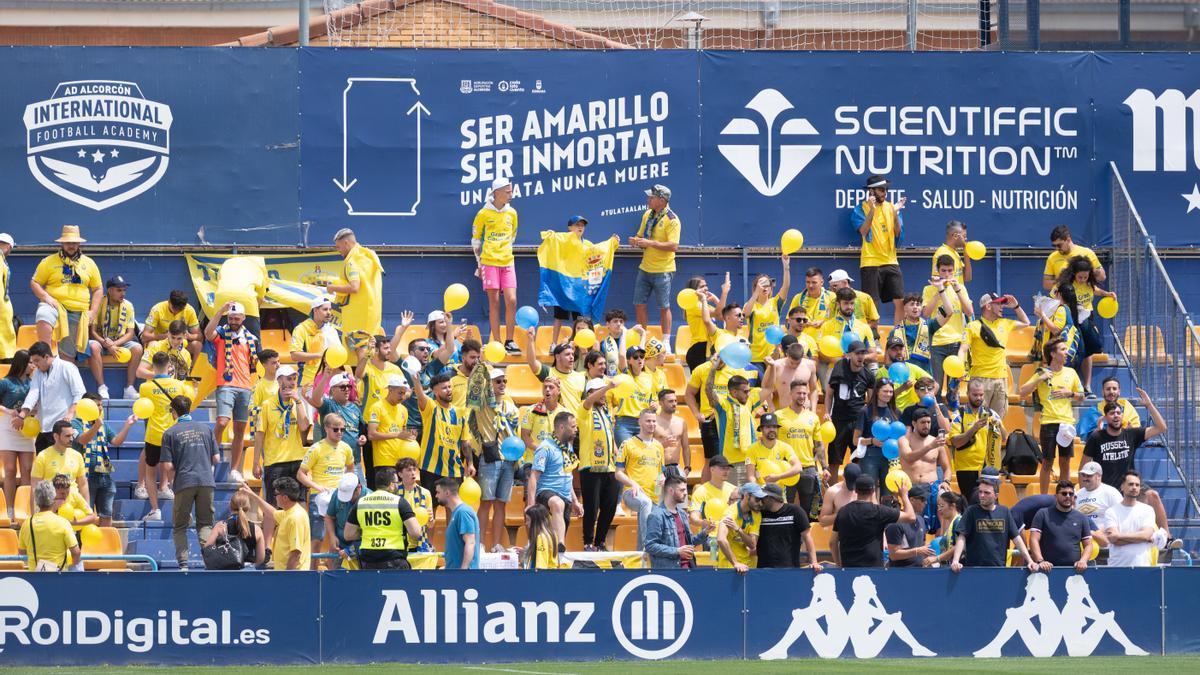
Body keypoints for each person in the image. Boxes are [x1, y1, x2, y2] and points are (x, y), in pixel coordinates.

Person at [1082, 387, 1170, 535]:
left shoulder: (1131, 434)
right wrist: (1085, 491)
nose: (1116, 416)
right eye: (1112, 413)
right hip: (1108, 490)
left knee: (1153, 495)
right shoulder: (1097, 438)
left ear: (1122, 416)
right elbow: (1084, 466)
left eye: (1118, 413)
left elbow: (1161, 427)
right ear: (1105, 417)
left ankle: (1167, 538)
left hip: (1130, 484)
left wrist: (1148, 404)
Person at [30, 225, 104, 395]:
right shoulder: (48, 261)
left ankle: (65, 391)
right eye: (68, 242)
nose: (71, 245)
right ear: (62, 243)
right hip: (56, 306)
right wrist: (47, 297)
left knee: (67, 357)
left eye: (74, 242)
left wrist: (93, 312)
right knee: (43, 312)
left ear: (79, 244)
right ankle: (45, 352)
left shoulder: (90, 263)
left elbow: (98, 289)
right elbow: (34, 282)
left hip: (78, 313)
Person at [1019, 337, 1084, 494]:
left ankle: (1064, 493)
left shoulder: (1071, 372)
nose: (1066, 352)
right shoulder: (1042, 372)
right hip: (1048, 422)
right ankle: (1043, 496)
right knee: (1047, 462)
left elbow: (1082, 396)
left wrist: (1071, 393)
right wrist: (1040, 379)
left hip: (1066, 423)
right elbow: (1022, 393)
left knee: (1065, 461)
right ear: (1053, 354)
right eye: (1062, 349)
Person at [205, 300, 260, 485]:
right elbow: (207, 333)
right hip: (226, 383)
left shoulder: (251, 338)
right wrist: (220, 311)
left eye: (237, 318)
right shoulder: (221, 333)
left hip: (245, 386)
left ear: (243, 318)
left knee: (239, 430)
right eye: (231, 317)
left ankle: (234, 469)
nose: (234, 320)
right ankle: (211, 459)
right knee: (222, 422)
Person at [160, 396, 218, 568]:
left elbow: (169, 466)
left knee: (179, 527)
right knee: (206, 524)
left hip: (184, 482)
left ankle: (183, 564)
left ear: (174, 411)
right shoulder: (206, 429)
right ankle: (210, 561)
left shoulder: (169, 433)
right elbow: (216, 458)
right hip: (207, 481)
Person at [685, 346, 753, 483]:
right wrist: (697, 414)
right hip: (710, 419)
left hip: (732, 420)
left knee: (732, 458)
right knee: (711, 460)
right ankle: (705, 495)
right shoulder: (702, 369)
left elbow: (746, 394)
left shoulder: (736, 369)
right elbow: (689, 394)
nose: (721, 359)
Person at [958, 292, 1030, 421]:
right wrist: (960, 368)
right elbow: (962, 350)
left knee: (997, 421)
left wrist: (1016, 306)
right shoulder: (973, 326)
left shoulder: (1005, 323)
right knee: (978, 419)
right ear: (988, 306)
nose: (1002, 307)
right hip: (980, 379)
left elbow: (1026, 322)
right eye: (998, 304)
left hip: (1001, 379)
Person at [470, 179, 520, 353]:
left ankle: (510, 340)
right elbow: (476, 239)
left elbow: (512, 236)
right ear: (496, 192)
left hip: (507, 261)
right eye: (508, 191)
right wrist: (479, 263)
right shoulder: (483, 213)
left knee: (512, 301)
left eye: (511, 191)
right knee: (494, 303)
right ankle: (497, 341)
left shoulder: (512, 213)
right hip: (489, 262)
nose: (511, 195)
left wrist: (503, 250)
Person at [474, 367, 521, 552]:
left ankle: (496, 544)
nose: (502, 384)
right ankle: (478, 543)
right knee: (486, 502)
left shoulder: (510, 405)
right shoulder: (483, 403)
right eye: (498, 381)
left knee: (501, 503)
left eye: (504, 381)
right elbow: (474, 389)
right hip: (490, 457)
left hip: (508, 459)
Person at [298, 412, 356, 562]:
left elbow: (350, 469)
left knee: (335, 539)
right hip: (320, 496)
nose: (340, 433)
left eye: (343, 429)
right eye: (336, 429)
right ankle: (313, 573)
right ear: (326, 428)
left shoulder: (346, 448)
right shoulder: (316, 448)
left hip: (339, 497)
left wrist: (346, 485)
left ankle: (333, 573)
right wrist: (316, 486)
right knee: (316, 539)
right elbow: (301, 474)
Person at [1053, 257, 1114, 397]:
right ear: (1074, 274)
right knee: (1078, 352)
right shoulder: (1065, 285)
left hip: (1086, 318)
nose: (1082, 279)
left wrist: (1107, 294)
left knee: (1091, 350)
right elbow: (1054, 299)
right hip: (1071, 320)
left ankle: (1087, 386)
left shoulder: (1089, 284)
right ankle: (1072, 386)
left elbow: (1095, 290)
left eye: (1085, 277)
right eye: (1080, 277)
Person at [137, 351, 187, 520]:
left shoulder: (145, 387)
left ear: (153, 366)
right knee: (175, 473)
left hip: (153, 435)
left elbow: (144, 411)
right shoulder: (179, 386)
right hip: (173, 435)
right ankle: (183, 511)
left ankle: (155, 510)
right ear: (169, 366)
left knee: (150, 474)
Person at [72, 393, 134, 528]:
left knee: (106, 514)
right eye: (97, 405)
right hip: (85, 478)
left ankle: (105, 546)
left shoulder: (103, 425)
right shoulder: (75, 423)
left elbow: (116, 441)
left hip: (104, 475)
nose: (100, 408)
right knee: (86, 514)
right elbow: (82, 439)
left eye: (101, 405)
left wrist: (127, 426)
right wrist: (95, 426)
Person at [631, 184, 680, 348]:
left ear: (662, 200)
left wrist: (650, 243)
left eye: (651, 197)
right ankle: (642, 339)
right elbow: (640, 235)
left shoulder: (672, 220)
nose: (648, 200)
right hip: (645, 267)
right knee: (639, 303)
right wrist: (635, 241)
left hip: (664, 270)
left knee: (664, 306)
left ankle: (666, 341)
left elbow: (673, 246)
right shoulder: (647, 215)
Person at [344, 466, 423, 570]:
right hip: (394, 559)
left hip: (368, 561)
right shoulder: (400, 502)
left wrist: (367, 531)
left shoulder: (361, 502)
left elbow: (348, 535)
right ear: (390, 485)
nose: (398, 486)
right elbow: (415, 532)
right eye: (396, 483)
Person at [853, 175, 906, 325]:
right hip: (870, 261)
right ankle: (873, 337)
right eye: (881, 189)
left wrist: (895, 213)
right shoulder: (860, 209)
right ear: (871, 191)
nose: (884, 192)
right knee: (872, 303)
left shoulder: (891, 207)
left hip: (891, 260)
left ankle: (898, 336)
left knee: (900, 300)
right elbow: (863, 231)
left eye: (886, 190)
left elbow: (897, 232)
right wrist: (872, 210)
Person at [254, 365, 310, 506]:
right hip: (275, 462)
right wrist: (255, 463)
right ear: (279, 381)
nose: (292, 382)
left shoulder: (298, 403)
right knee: (274, 506)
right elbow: (260, 435)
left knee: (300, 504)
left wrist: (298, 402)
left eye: (294, 379)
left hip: (296, 460)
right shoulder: (268, 404)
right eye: (289, 379)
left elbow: (304, 427)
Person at [950, 479, 1036, 571]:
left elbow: (1016, 538)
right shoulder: (971, 511)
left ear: (996, 496)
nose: (982, 495)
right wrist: (956, 560)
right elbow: (962, 537)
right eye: (980, 492)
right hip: (974, 570)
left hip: (998, 570)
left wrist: (1030, 561)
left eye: (987, 493)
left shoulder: (1005, 512)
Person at [831, 475, 916, 568]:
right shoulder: (879, 511)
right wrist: (904, 496)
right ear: (873, 491)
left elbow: (832, 542)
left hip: (848, 569)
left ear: (855, 490)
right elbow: (911, 517)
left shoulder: (843, 511)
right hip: (874, 570)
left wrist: (839, 565)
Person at [413, 373, 470, 510]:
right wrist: (416, 382)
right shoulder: (431, 408)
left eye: (450, 386)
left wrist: (471, 463)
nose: (449, 390)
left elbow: (465, 442)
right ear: (435, 391)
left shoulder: (460, 413)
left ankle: (451, 533)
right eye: (444, 388)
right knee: (429, 511)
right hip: (431, 468)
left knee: (453, 509)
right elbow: (421, 397)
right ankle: (427, 533)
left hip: (454, 469)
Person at [18, 341, 85, 453]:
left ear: (47, 357)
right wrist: (22, 415)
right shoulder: (38, 373)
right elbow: (33, 394)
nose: (35, 365)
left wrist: (70, 413)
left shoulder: (67, 367)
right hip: (43, 428)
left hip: (63, 428)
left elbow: (79, 393)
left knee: (62, 468)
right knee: (43, 466)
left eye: (37, 361)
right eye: (33, 361)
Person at [923, 254, 973, 401]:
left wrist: (957, 290)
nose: (946, 274)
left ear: (954, 271)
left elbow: (969, 312)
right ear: (937, 270)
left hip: (956, 342)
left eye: (950, 271)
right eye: (943, 270)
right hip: (936, 343)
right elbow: (925, 314)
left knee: (954, 391)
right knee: (935, 388)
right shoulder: (929, 288)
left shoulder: (960, 287)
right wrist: (939, 291)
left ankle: (954, 419)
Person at [527, 411, 582, 545]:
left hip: (565, 496)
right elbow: (534, 476)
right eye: (573, 427)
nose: (576, 430)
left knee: (561, 508)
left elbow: (567, 475)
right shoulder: (545, 448)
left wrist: (575, 501)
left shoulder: (567, 447)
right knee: (558, 504)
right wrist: (530, 505)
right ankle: (560, 544)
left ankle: (557, 550)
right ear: (562, 427)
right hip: (546, 492)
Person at [326, 228, 385, 352]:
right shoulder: (368, 257)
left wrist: (332, 287)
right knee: (370, 351)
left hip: (357, 318)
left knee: (358, 353)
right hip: (371, 316)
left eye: (338, 247)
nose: (338, 251)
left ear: (346, 243)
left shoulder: (351, 262)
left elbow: (354, 287)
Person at [578, 375, 620, 551]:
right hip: (590, 466)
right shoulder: (584, 409)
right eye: (599, 392)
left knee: (610, 506)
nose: (604, 395)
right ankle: (588, 542)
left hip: (609, 466)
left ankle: (600, 542)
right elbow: (588, 401)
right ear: (591, 393)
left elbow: (609, 435)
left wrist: (618, 454)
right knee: (592, 507)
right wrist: (608, 387)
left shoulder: (605, 412)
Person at [706, 360, 764, 486]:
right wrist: (713, 369)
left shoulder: (749, 402)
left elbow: (769, 388)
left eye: (749, 390)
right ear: (734, 392)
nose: (748, 394)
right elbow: (708, 390)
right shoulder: (723, 404)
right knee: (732, 498)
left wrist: (772, 366)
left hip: (750, 462)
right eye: (745, 391)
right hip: (730, 463)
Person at [774, 380, 827, 515]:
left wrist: (825, 467)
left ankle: (804, 535)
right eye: (798, 393)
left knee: (808, 510)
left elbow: (819, 444)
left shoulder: (813, 417)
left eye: (804, 393)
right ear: (791, 393)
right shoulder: (779, 416)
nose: (802, 396)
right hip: (787, 468)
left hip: (808, 468)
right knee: (785, 507)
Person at [615, 408, 665, 550]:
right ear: (640, 422)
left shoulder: (658, 446)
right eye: (648, 421)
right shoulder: (628, 444)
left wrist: (662, 479)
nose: (651, 424)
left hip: (654, 495)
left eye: (654, 421)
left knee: (651, 512)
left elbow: (661, 471)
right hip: (632, 493)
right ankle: (647, 545)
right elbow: (618, 473)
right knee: (645, 503)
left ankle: (641, 560)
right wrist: (633, 483)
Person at [825, 340, 874, 480]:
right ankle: (832, 492)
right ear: (849, 355)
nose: (860, 357)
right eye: (857, 353)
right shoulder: (839, 368)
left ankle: (856, 492)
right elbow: (829, 394)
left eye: (863, 353)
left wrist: (868, 421)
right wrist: (827, 412)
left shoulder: (868, 375)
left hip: (858, 422)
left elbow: (870, 401)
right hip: (839, 420)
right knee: (834, 459)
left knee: (858, 458)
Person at [949, 379, 1005, 501]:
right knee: (971, 504)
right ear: (968, 393)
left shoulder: (990, 413)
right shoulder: (959, 415)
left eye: (981, 395)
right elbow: (955, 442)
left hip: (986, 467)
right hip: (966, 468)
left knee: (991, 504)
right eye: (975, 395)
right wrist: (973, 429)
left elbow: (1004, 438)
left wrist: (999, 425)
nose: (978, 398)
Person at [240, 477, 310, 571]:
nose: (274, 497)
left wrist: (286, 578)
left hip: (292, 578)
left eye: (276, 494)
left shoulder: (295, 518)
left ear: (285, 498)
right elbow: (271, 513)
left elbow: (295, 554)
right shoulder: (289, 512)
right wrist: (252, 495)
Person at [307, 370, 365, 481]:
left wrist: (362, 437)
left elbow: (360, 431)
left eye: (349, 386)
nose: (347, 389)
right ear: (333, 390)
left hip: (354, 462)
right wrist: (324, 378)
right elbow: (315, 399)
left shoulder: (355, 408)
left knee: (360, 494)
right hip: (335, 463)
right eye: (343, 387)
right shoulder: (329, 405)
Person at [89, 275, 142, 398]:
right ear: (110, 290)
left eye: (124, 290)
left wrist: (114, 344)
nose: (123, 293)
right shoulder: (99, 303)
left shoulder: (128, 305)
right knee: (92, 347)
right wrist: (105, 343)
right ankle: (102, 387)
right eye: (119, 290)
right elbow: (93, 332)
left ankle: (129, 388)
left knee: (137, 348)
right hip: (101, 340)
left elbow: (130, 334)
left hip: (119, 341)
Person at [644, 474, 711, 569]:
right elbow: (650, 546)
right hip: (669, 572)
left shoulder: (682, 514)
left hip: (688, 568)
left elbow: (689, 542)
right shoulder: (656, 515)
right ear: (670, 490)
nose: (686, 493)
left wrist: (705, 532)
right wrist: (677, 551)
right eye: (682, 490)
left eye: (686, 490)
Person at [897, 409, 950, 527]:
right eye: (923, 422)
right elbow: (909, 458)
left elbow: (947, 468)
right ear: (914, 423)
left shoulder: (936, 442)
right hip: (912, 487)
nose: (926, 426)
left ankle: (941, 542)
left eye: (929, 422)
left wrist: (946, 481)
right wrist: (930, 446)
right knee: (915, 524)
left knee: (945, 502)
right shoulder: (904, 440)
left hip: (932, 486)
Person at [744, 254, 792, 378]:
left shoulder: (775, 302)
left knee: (774, 387)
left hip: (774, 353)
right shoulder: (750, 304)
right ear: (755, 287)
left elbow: (786, 286)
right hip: (756, 355)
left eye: (767, 285)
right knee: (760, 388)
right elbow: (746, 314)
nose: (765, 287)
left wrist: (786, 267)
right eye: (761, 284)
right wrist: (756, 293)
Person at [1029, 480, 1093, 572]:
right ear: (1055, 496)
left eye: (1071, 494)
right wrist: (1040, 561)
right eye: (1064, 493)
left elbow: (1088, 545)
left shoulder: (1081, 517)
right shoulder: (1043, 514)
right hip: (1047, 571)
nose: (1067, 496)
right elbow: (1034, 539)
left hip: (1074, 572)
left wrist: (1083, 561)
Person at [0, 350, 34, 521]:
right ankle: (10, 508)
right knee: (10, 470)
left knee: (28, 469)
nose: (33, 365)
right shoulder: (5, 382)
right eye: (30, 363)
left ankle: (25, 508)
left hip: (27, 428)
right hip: (7, 426)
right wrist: (9, 411)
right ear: (22, 363)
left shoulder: (33, 383)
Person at [757, 482, 822, 570]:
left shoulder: (795, 511)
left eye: (763, 497)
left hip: (789, 568)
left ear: (771, 498)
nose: (760, 500)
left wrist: (814, 562)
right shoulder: (760, 514)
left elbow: (807, 537)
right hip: (763, 569)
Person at [17, 480, 79, 571]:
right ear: (53, 498)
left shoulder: (26, 524)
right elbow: (76, 552)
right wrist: (72, 568)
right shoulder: (63, 523)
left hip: (34, 577)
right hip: (58, 577)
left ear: (36, 500)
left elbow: (22, 552)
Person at [29, 420, 88, 516]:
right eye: (67, 436)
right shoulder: (43, 456)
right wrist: (34, 515)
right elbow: (35, 487)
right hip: (50, 509)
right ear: (56, 436)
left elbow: (83, 484)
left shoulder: (77, 456)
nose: (71, 439)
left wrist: (86, 508)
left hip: (73, 510)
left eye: (72, 435)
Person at [612, 346, 665, 448]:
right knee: (627, 456)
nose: (640, 359)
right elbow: (622, 356)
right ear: (629, 361)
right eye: (635, 357)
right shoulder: (625, 374)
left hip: (643, 423)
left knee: (642, 457)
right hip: (624, 423)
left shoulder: (648, 377)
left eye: (642, 356)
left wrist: (655, 405)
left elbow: (653, 399)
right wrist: (624, 332)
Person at [1102, 470, 1158, 567]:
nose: (1134, 487)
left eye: (1137, 485)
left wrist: (1119, 536)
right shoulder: (1111, 512)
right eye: (1131, 484)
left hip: (1142, 566)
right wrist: (1140, 538)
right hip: (1117, 567)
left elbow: (1146, 535)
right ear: (1122, 487)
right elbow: (1114, 540)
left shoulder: (1148, 510)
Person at [853, 378, 899, 494]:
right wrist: (872, 441)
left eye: (890, 392)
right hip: (870, 457)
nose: (888, 394)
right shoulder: (865, 411)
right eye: (885, 391)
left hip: (890, 458)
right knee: (869, 491)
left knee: (889, 493)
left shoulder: (895, 412)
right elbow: (855, 440)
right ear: (877, 391)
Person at [366, 375, 415, 474]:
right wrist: (397, 435)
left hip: (401, 461)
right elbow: (371, 435)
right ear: (390, 389)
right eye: (400, 393)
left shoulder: (403, 410)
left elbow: (403, 433)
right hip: (384, 461)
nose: (402, 397)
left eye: (404, 393)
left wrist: (410, 435)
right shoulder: (377, 407)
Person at [205, 490, 266, 569]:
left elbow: (207, 549)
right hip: (247, 571)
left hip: (226, 571)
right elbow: (261, 559)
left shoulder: (220, 526)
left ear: (230, 506)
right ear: (248, 507)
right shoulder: (257, 529)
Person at [289, 295, 339, 387]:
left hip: (329, 382)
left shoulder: (332, 330)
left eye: (330, 309)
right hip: (308, 382)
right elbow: (294, 355)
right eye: (325, 309)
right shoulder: (301, 329)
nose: (329, 313)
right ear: (315, 310)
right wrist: (319, 355)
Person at [520, 377, 566, 472]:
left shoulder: (565, 413)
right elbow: (525, 436)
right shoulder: (531, 411)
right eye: (545, 387)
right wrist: (542, 450)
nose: (547, 390)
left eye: (551, 387)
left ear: (558, 391)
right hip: (533, 462)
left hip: (555, 463)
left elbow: (568, 439)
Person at [717, 482, 765, 573]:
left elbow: (752, 544)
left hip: (748, 566)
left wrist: (738, 530)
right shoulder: (730, 513)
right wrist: (735, 563)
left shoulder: (756, 514)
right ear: (747, 496)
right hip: (729, 567)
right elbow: (721, 539)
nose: (760, 503)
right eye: (757, 499)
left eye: (761, 500)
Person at [745, 413, 802, 489]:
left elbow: (798, 467)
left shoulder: (785, 447)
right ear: (761, 429)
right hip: (761, 492)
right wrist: (758, 492)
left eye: (774, 427)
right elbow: (751, 476)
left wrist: (779, 477)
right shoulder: (752, 449)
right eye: (768, 427)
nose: (772, 430)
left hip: (779, 493)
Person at [141, 289, 202, 360]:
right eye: (174, 308)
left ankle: (193, 371)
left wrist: (189, 336)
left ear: (185, 306)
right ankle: (153, 369)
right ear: (169, 301)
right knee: (152, 344)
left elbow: (200, 336)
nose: (176, 311)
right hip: (161, 343)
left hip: (180, 344)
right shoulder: (157, 309)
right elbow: (145, 336)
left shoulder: (190, 310)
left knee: (197, 345)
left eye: (180, 309)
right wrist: (166, 336)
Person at [682, 275, 727, 369]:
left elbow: (723, 315)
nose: (706, 288)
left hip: (709, 348)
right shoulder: (693, 305)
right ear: (694, 291)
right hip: (698, 349)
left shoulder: (704, 305)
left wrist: (715, 299)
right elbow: (716, 312)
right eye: (701, 287)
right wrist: (724, 293)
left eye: (706, 285)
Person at [323, 473, 367, 568]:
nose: (347, 499)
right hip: (339, 548)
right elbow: (329, 517)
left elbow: (371, 533)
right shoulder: (337, 494)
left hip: (362, 550)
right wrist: (332, 536)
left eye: (349, 495)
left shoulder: (369, 499)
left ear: (358, 488)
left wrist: (351, 550)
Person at [1043, 224, 1105, 290]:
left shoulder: (1087, 253)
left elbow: (1102, 277)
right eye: (1054, 246)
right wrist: (1064, 281)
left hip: (1084, 298)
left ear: (1068, 240)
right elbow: (1046, 284)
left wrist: (1086, 269)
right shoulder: (1052, 257)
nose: (1056, 248)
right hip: (1063, 299)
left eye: (1059, 245)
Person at [438, 477, 481, 569]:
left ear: (447, 493)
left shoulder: (462, 512)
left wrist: (463, 572)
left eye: (438, 492)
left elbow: (470, 542)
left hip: (464, 576)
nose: (436, 496)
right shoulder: (457, 512)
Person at [765, 338, 818, 411]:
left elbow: (814, 390)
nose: (794, 366)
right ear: (787, 355)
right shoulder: (776, 366)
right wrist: (771, 407)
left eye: (797, 363)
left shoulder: (810, 365)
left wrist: (814, 410)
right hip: (784, 413)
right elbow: (766, 388)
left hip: (804, 411)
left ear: (802, 357)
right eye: (791, 362)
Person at [885, 484, 931, 568]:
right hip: (901, 574)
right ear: (912, 500)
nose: (925, 502)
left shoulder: (921, 520)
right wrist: (917, 551)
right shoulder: (896, 523)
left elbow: (923, 544)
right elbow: (893, 555)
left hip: (919, 571)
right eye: (922, 499)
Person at [688, 455, 735, 534]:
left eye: (728, 468)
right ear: (712, 469)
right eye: (722, 468)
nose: (726, 471)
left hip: (730, 535)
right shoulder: (701, 491)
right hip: (710, 536)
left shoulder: (733, 490)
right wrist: (703, 523)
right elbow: (693, 517)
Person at [395, 458, 434, 553]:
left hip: (419, 545)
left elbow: (430, 525)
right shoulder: (394, 493)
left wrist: (431, 519)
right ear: (400, 474)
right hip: (399, 544)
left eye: (414, 469)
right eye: (409, 470)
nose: (413, 473)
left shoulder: (425, 493)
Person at [1076, 461, 1121, 541]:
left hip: (1105, 544)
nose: (1085, 478)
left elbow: (1121, 516)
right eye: (1083, 475)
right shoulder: (1077, 494)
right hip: (1084, 544)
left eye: (1089, 475)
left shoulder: (1111, 492)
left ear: (1099, 476)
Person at [788, 267, 836, 342]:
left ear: (822, 282)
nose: (810, 285)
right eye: (808, 282)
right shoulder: (798, 298)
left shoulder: (832, 297)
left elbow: (838, 319)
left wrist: (823, 322)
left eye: (814, 282)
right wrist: (801, 322)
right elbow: (789, 321)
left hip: (826, 343)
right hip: (804, 343)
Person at [654, 389, 689, 480]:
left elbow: (686, 447)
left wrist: (687, 467)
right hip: (657, 469)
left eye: (675, 401)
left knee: (678, 493)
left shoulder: (681, 422)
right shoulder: (653, 422)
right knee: (658, 493)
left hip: (676, 468)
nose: (674, 404)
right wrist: (663, 444)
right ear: (661, 403)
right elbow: (646, 447)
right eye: (670, 401)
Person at [818, 463, 861, 527]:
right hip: (841, 532)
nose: (853, 489)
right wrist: (842, 514)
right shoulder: (832, 492)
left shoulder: (865, 489)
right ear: (843, 476)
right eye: (849, 482)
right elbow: (822, 521)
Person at [932, 220, 971, 285]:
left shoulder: (955, 253)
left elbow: (967, 278)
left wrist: (966, 254)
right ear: (955, 236)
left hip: (960, 294)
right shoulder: (942, 253)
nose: (966, 239)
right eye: (964, 236)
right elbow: (936, 282)